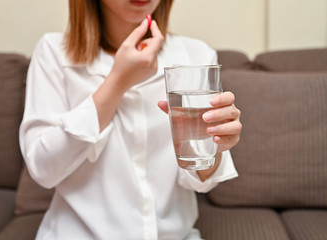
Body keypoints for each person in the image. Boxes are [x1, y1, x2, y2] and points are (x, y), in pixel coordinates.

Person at [19, 0, 242, 239]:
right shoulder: (53, 52)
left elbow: (200, 178)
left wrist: (217, 143)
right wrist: (118, 81)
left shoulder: (196, 55)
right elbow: (43, 169)